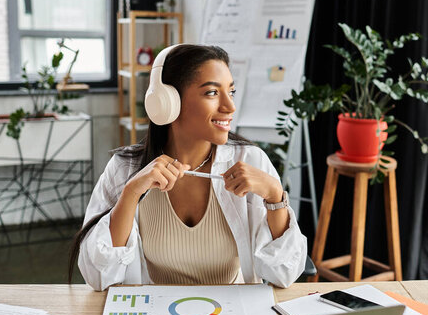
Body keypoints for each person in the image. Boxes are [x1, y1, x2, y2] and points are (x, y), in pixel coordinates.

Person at [69, 44, 307, 291]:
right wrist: (130, 194)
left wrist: (275, 196)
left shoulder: (250, 160)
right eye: (212, 93)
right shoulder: (124, 169)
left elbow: (284, 273)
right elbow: (97, 278)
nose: (230, 106)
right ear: (167, 101)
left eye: (231, 92)